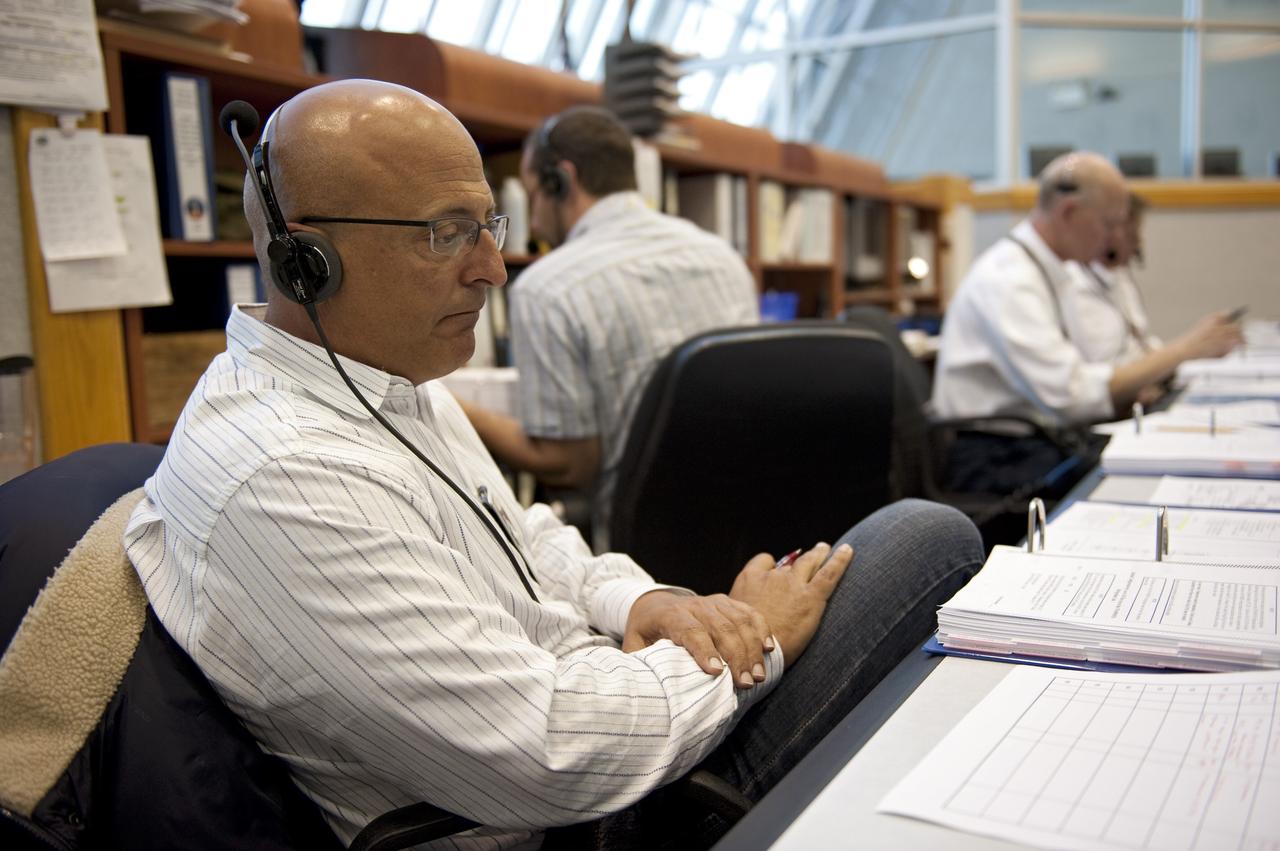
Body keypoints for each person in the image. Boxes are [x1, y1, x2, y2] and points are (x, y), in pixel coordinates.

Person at [123, 80, 984, 850]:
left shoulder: (385, 381)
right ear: (305, 259)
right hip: (574, 815)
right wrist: (754, 639)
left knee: (911, 568)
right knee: (926, 537)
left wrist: (641, 600)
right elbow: (546, 751)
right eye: (448, 233)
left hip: (610, 701)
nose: (494, 266)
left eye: (489, 224)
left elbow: (527, 534)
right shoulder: (285, 473)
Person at [458, 106, 759, 549]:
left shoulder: (549, 287)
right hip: (749, 521)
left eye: (534, 195)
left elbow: (568, 464)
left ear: (563, 179)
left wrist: (455, 408)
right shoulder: (724, 258)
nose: (535, 223)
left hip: (640, 546)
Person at [931, 151, 1241, 493]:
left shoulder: (1046, 270)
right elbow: (1073, 396)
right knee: (1142, 478)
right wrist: (1186, 349)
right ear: (1069, 212)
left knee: (1153, 463)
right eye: (1108, 224)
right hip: (995, 458)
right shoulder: (1009, 281)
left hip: (1032, 442)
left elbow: (1086, 374)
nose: (1110, 238)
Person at [1062, 192, 1162, 366]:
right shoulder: (1077, 284)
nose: (1139, 243)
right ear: (1108, 233)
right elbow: (1105, 362)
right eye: (1133, 234)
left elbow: (1140, 340)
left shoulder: (1118, 277)